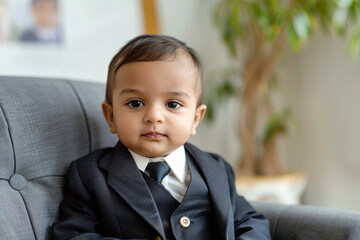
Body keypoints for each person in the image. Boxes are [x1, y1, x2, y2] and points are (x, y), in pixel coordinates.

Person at [51, 34, 271, 240]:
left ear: (195, 118)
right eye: (135, 103)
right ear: (111, 117)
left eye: (173, 104)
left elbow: (250, 220)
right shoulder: (89, 176)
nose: (154, 116)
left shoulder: (216, 168)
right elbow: (74, 236)